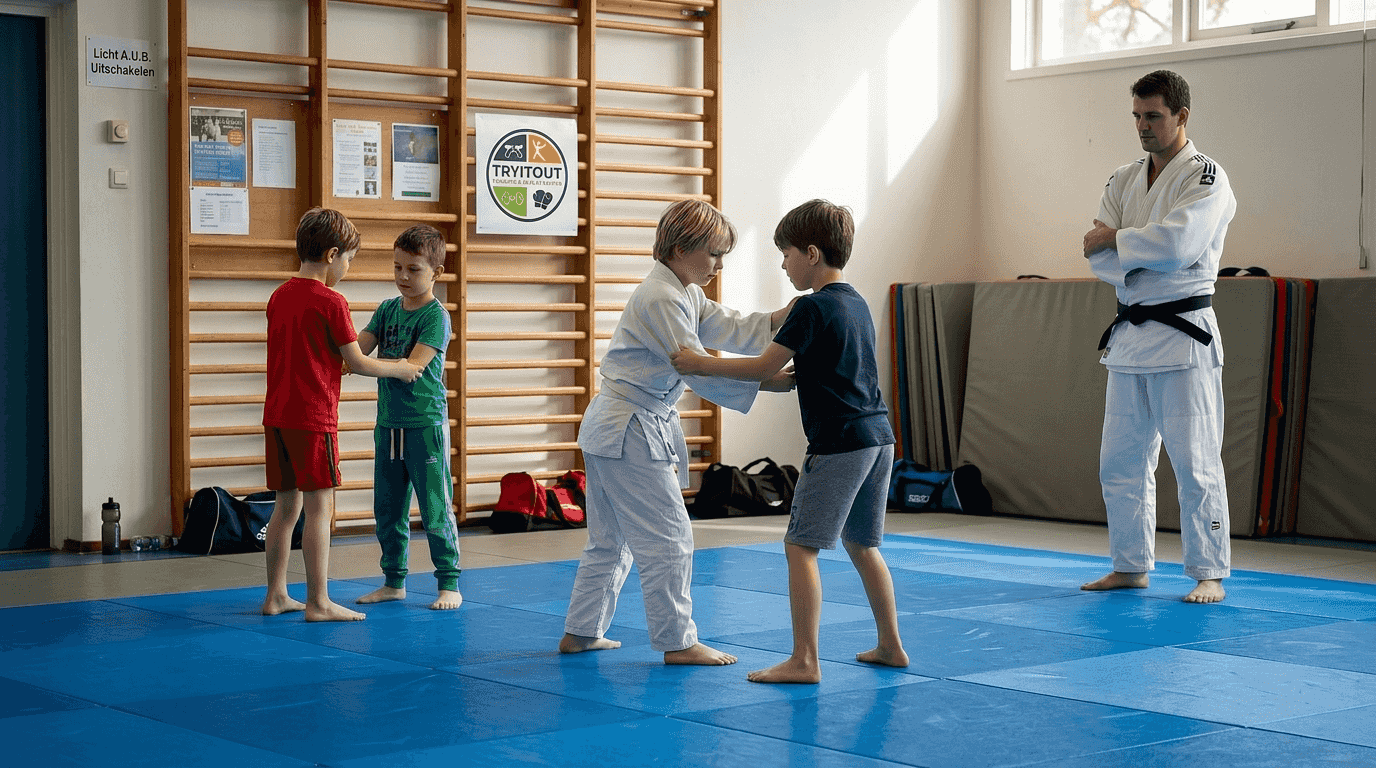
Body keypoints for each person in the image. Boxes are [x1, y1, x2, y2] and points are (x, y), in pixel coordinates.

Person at [671, 199, 908, 683]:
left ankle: (805, 659)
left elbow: (763, 367)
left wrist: (700, 364)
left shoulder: (812, 307)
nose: (782, 262)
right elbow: (807, 375)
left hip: (839, 442)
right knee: (862, 544)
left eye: (786, 252)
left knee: (800, 546)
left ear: (813, 253)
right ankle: (890, 645)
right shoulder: (855, 302)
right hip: (878, 438)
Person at [558, 200, 796, 666]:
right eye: (713, 254)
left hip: (617, 427)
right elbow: (697, 368)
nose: (720, 265)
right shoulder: (662, 297)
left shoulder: (682, 291)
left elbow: (724, 325)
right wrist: (770, 381)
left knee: (611, 541)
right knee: (669, 537)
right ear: (682, 249)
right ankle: (678, 641)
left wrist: (777, 319)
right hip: (629, 429)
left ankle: (581, 632)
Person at [1080, 70, 1237, 604]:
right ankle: (1130, 565)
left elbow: (1180, 245)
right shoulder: (1123, 178)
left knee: (1195, 461)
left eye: (1154, 116)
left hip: (1184, 337)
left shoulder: (1206, 177)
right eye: (1137, 117)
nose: (1143, 127)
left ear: (1181, 117)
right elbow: (1096, 254)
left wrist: (1121, 242)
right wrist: (1132, 254)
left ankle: (1209, 571)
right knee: (1120, 463)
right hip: (1129, 338)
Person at [261, 208, 421, 622]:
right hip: (313, 418)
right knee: (320, 508)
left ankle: (276, 594)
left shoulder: (279, 295)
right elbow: (359, 361)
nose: (347, 269)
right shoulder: (332, 301)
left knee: (285, 507)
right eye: (348, 260)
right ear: (333, 255)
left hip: (277, 415)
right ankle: (318, 601)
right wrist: (400, 367)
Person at [354, 224, 463, 611]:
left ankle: (448, 581)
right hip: (389, 424)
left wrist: (363, 364)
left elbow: (414, 366)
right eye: (397, 267)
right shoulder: (386, 309)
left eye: (413, 269)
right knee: (387, 508)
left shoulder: (436, 317)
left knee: (434, 507)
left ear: (436, 272)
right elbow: (357, 350)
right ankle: (393, 580)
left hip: (424, 425)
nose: (402, 276)